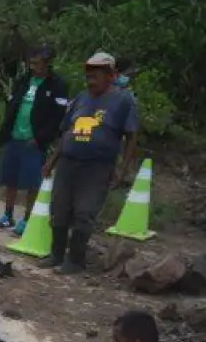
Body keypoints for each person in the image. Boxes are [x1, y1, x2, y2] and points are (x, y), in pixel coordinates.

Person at [40, 51, 140, 274]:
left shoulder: (123, 100)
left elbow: (132, 135)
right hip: (68, 161)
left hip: (97, 165)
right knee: (59, 208)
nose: (91, 80)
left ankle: (75, 260)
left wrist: (123, 169)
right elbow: (67, 132)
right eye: (89, 75)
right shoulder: (81, 98)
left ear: (111, 76)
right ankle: (56, 255)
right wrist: (52, 161)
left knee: (85, 211)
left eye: (96, 75)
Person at [0, 45, 70, 234]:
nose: (34, 67)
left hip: (34, 141)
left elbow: (58, 116)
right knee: (10, 178)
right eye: (31, 63)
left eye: (37, 63)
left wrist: (41, 138)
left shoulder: (57, 85)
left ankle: (27, 219)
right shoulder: (24, 80)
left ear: (47, 63)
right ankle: (7, 215)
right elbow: (12, 105)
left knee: (32, 182)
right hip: (14, 136)